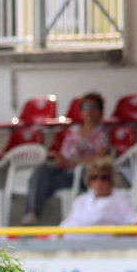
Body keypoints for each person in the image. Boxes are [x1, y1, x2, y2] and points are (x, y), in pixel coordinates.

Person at [20, 92, 111, 225]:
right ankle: (32, 214)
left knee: (46, 182)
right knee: (41, 172)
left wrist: (75, 163)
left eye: (93, 106)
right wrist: (60, 160)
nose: (89, 110)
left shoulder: (102, 133)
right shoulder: (72, 131)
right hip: (64, 171)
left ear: (100, 111)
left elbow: (100, 156)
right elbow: (62, 152)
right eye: (85, 106)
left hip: (83, 175)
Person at [60, 158, 137, 227]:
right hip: (74, 243)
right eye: (94, 177)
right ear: (89, 181)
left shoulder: (119, 202)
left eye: (104, 178)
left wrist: (120, 234)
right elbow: (66, 225)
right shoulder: (80, 201)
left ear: (111, 181)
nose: (99, 182)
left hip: (104, 246)